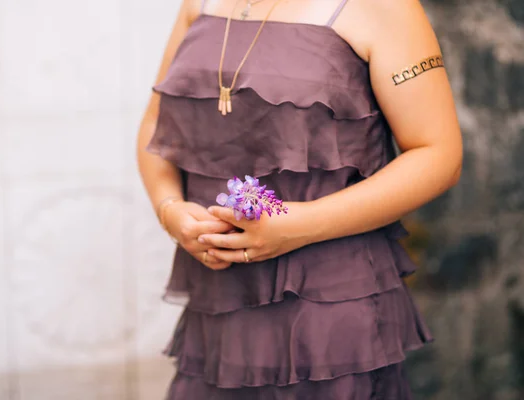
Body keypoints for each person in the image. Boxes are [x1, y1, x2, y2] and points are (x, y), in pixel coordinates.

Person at [136, 0, 462, 398]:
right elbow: (157, 128)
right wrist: (170, 210)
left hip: (327, 303)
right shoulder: (200, 3)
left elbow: (438, 154)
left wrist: (300, 225)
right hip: (219, 304)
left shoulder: (383, 7)